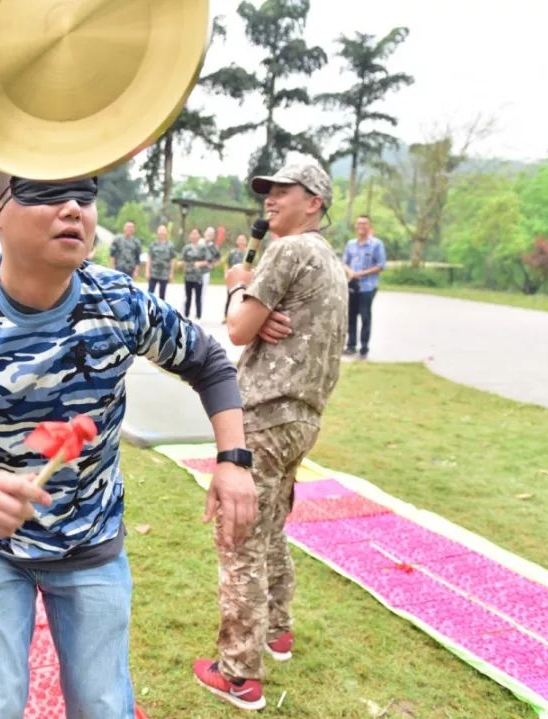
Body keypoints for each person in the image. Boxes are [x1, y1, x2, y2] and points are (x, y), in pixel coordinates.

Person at [0, 169, 258, 719]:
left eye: (84, 194)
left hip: (92, 542)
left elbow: (206, 360)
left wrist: (233, 460)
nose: (73, 209)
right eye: (45, 192)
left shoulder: (119, 302)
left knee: (103, 705)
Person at [192, 163, 347, 711]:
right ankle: (278, 629)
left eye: (284, 191)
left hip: (263, 414)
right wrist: (263, 314)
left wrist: (238, 289)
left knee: (240, 542)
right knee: (272, 528)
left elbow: (236, 330)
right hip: (303, 419)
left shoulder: (287, 251)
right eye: (268, 191)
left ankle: (238, 673)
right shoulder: (330, 262)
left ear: (315, 201)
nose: (271, 200)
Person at [342, 215, 387, 358]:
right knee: (351, 316)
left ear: (369, 226)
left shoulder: (376, 244)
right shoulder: (351, 244)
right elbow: (344, 262)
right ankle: (351, 345)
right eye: (359, 223)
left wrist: (362, 273)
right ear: (356, 226)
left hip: (367, 287)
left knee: (365, 316)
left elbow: (381, 265)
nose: (361, 226)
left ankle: (364, 346)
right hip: (352, 286)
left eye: (364, 223)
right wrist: (350, 272)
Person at [180, 228, 212, 320]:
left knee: (198, 297)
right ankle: (186, 316)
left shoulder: (203, 248)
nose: (194, 236)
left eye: (196, 234)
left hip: (198, 277)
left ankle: (198, 317)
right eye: (192, 234)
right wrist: (181, 264)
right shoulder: (186, 248)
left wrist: (200, 263)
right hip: (188, 276)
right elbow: (182, 260)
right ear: (190, 236)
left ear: (199, 236)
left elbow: (208, 260)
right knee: (188, 297)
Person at [147, 224, 176, 300]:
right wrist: (147, 271)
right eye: (160, 231)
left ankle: (161, 311)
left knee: (162, 295)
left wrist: (171, 273)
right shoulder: (153, 244)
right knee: (150, 294)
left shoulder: (170, 245)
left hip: (164, 273)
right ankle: (149, 311)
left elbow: (172, 260)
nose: (161, 233)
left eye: (163, 231)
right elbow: (149, 258)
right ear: (157, 232)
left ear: (166, 233)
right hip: (153, 272)